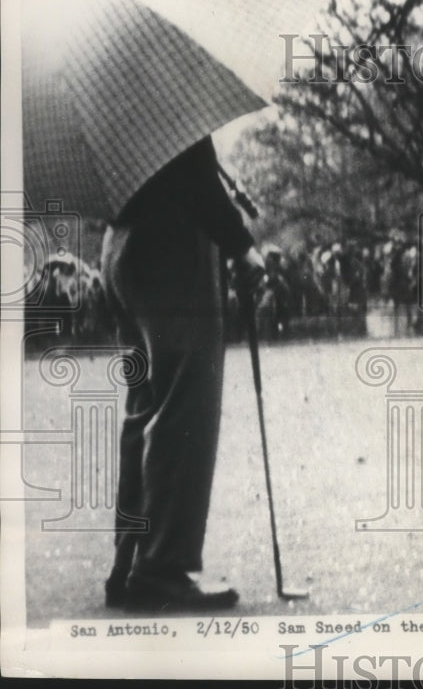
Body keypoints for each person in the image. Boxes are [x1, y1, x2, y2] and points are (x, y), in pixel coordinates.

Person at [101, 135, 264, 611]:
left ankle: (131, 560)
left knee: (145, 409)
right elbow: (190, 167)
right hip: (171, 246)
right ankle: (160, 568)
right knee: (184, 409)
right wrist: (239, 243)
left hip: (122, 242)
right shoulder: (168, 79)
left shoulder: (116, 76)